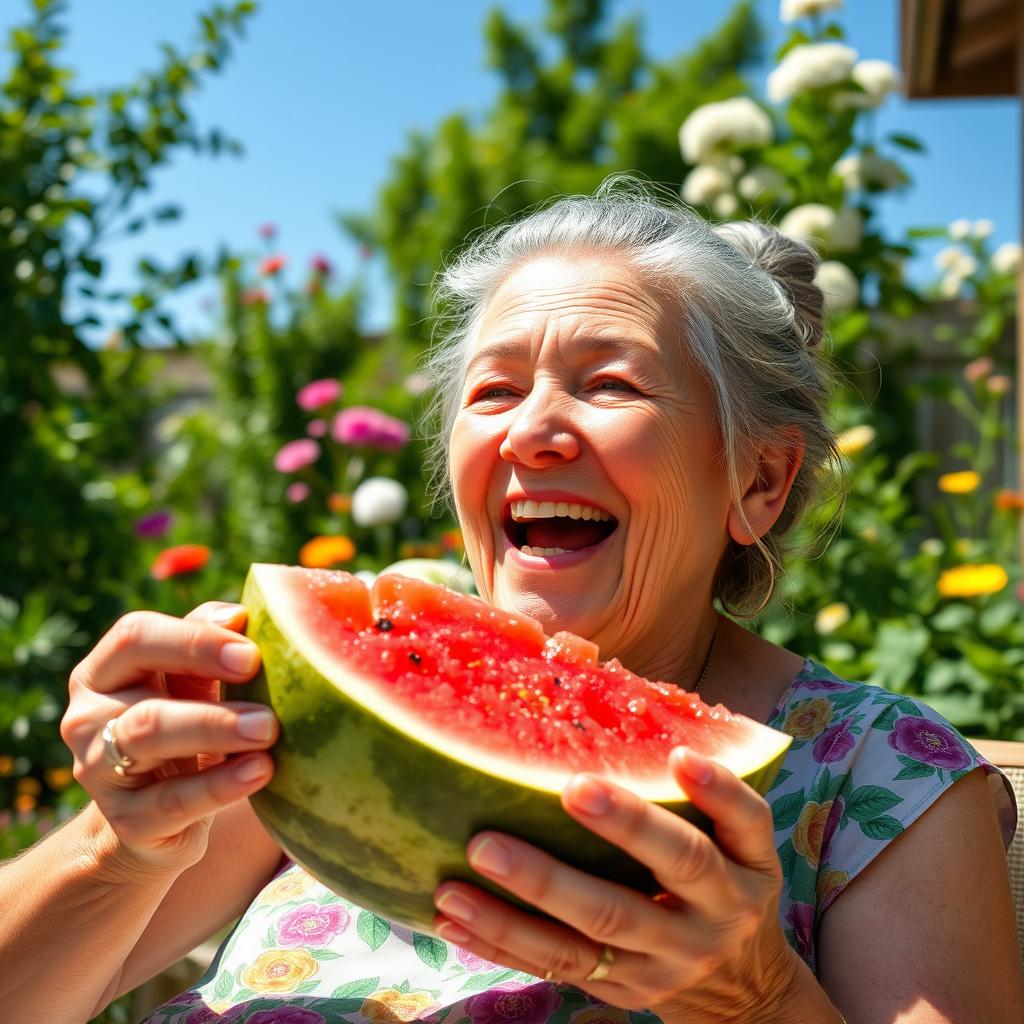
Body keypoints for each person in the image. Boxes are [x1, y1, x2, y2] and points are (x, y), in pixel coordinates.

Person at [2, 179, 1021, 1024]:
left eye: (610, 384)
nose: (532, 430)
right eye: (491, 392)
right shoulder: (323, 711)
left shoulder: (883, 779)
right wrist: (119, 842)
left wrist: (748, 996)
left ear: (757, 481)